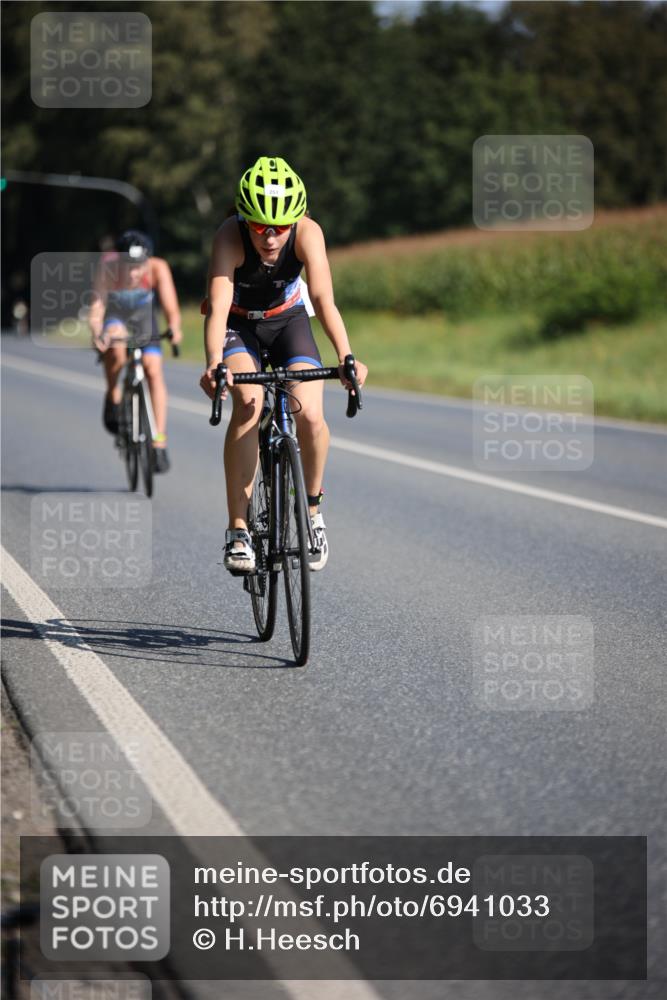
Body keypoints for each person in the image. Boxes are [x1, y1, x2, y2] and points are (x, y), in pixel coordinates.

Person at [199, 155, 368, 573]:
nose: (271, 238)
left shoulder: (309, 234)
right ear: (244, 218)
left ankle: (312, 514)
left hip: (289, 322)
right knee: (250, 402)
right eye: (259, 226)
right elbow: (218, 308)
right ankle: (238, 530)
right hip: (239, 327)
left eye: (280, 226)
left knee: (310, 413)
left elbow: (325, 301)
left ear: (297, 219)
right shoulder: (228, 236)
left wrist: (347, 357)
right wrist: (214, 365)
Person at [89, 230, 183, 473]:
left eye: (138, 267)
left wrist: (174, 328)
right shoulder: (107, 267)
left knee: (153, 368)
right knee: (116, 349)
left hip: (143, 316)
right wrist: (97, 331)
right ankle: (113, 396)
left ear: (147, 261)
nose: (132, 273)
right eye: (127, 266)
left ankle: (159, 441)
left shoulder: (158, 268)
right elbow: (97, 307)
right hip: (116, 315)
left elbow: (171, 308)